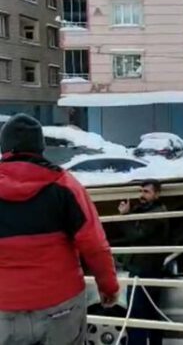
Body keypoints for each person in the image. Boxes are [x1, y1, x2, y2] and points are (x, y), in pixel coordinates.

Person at [0, 114, 119, 345]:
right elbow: (95, 245)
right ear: (40, 147)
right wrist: (109, 287)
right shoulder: (66, 186)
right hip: (60, 305)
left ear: (4, 148)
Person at [113, 180, 169, 345]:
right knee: (149, 314)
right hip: (144, 269)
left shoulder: (157, 214)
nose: (142, 195)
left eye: (146, 192)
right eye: (141, 191)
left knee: (138, 314)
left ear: (157, 194)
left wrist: (124, 217)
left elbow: (137, 235)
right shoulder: (145, 210)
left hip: (146, 270)